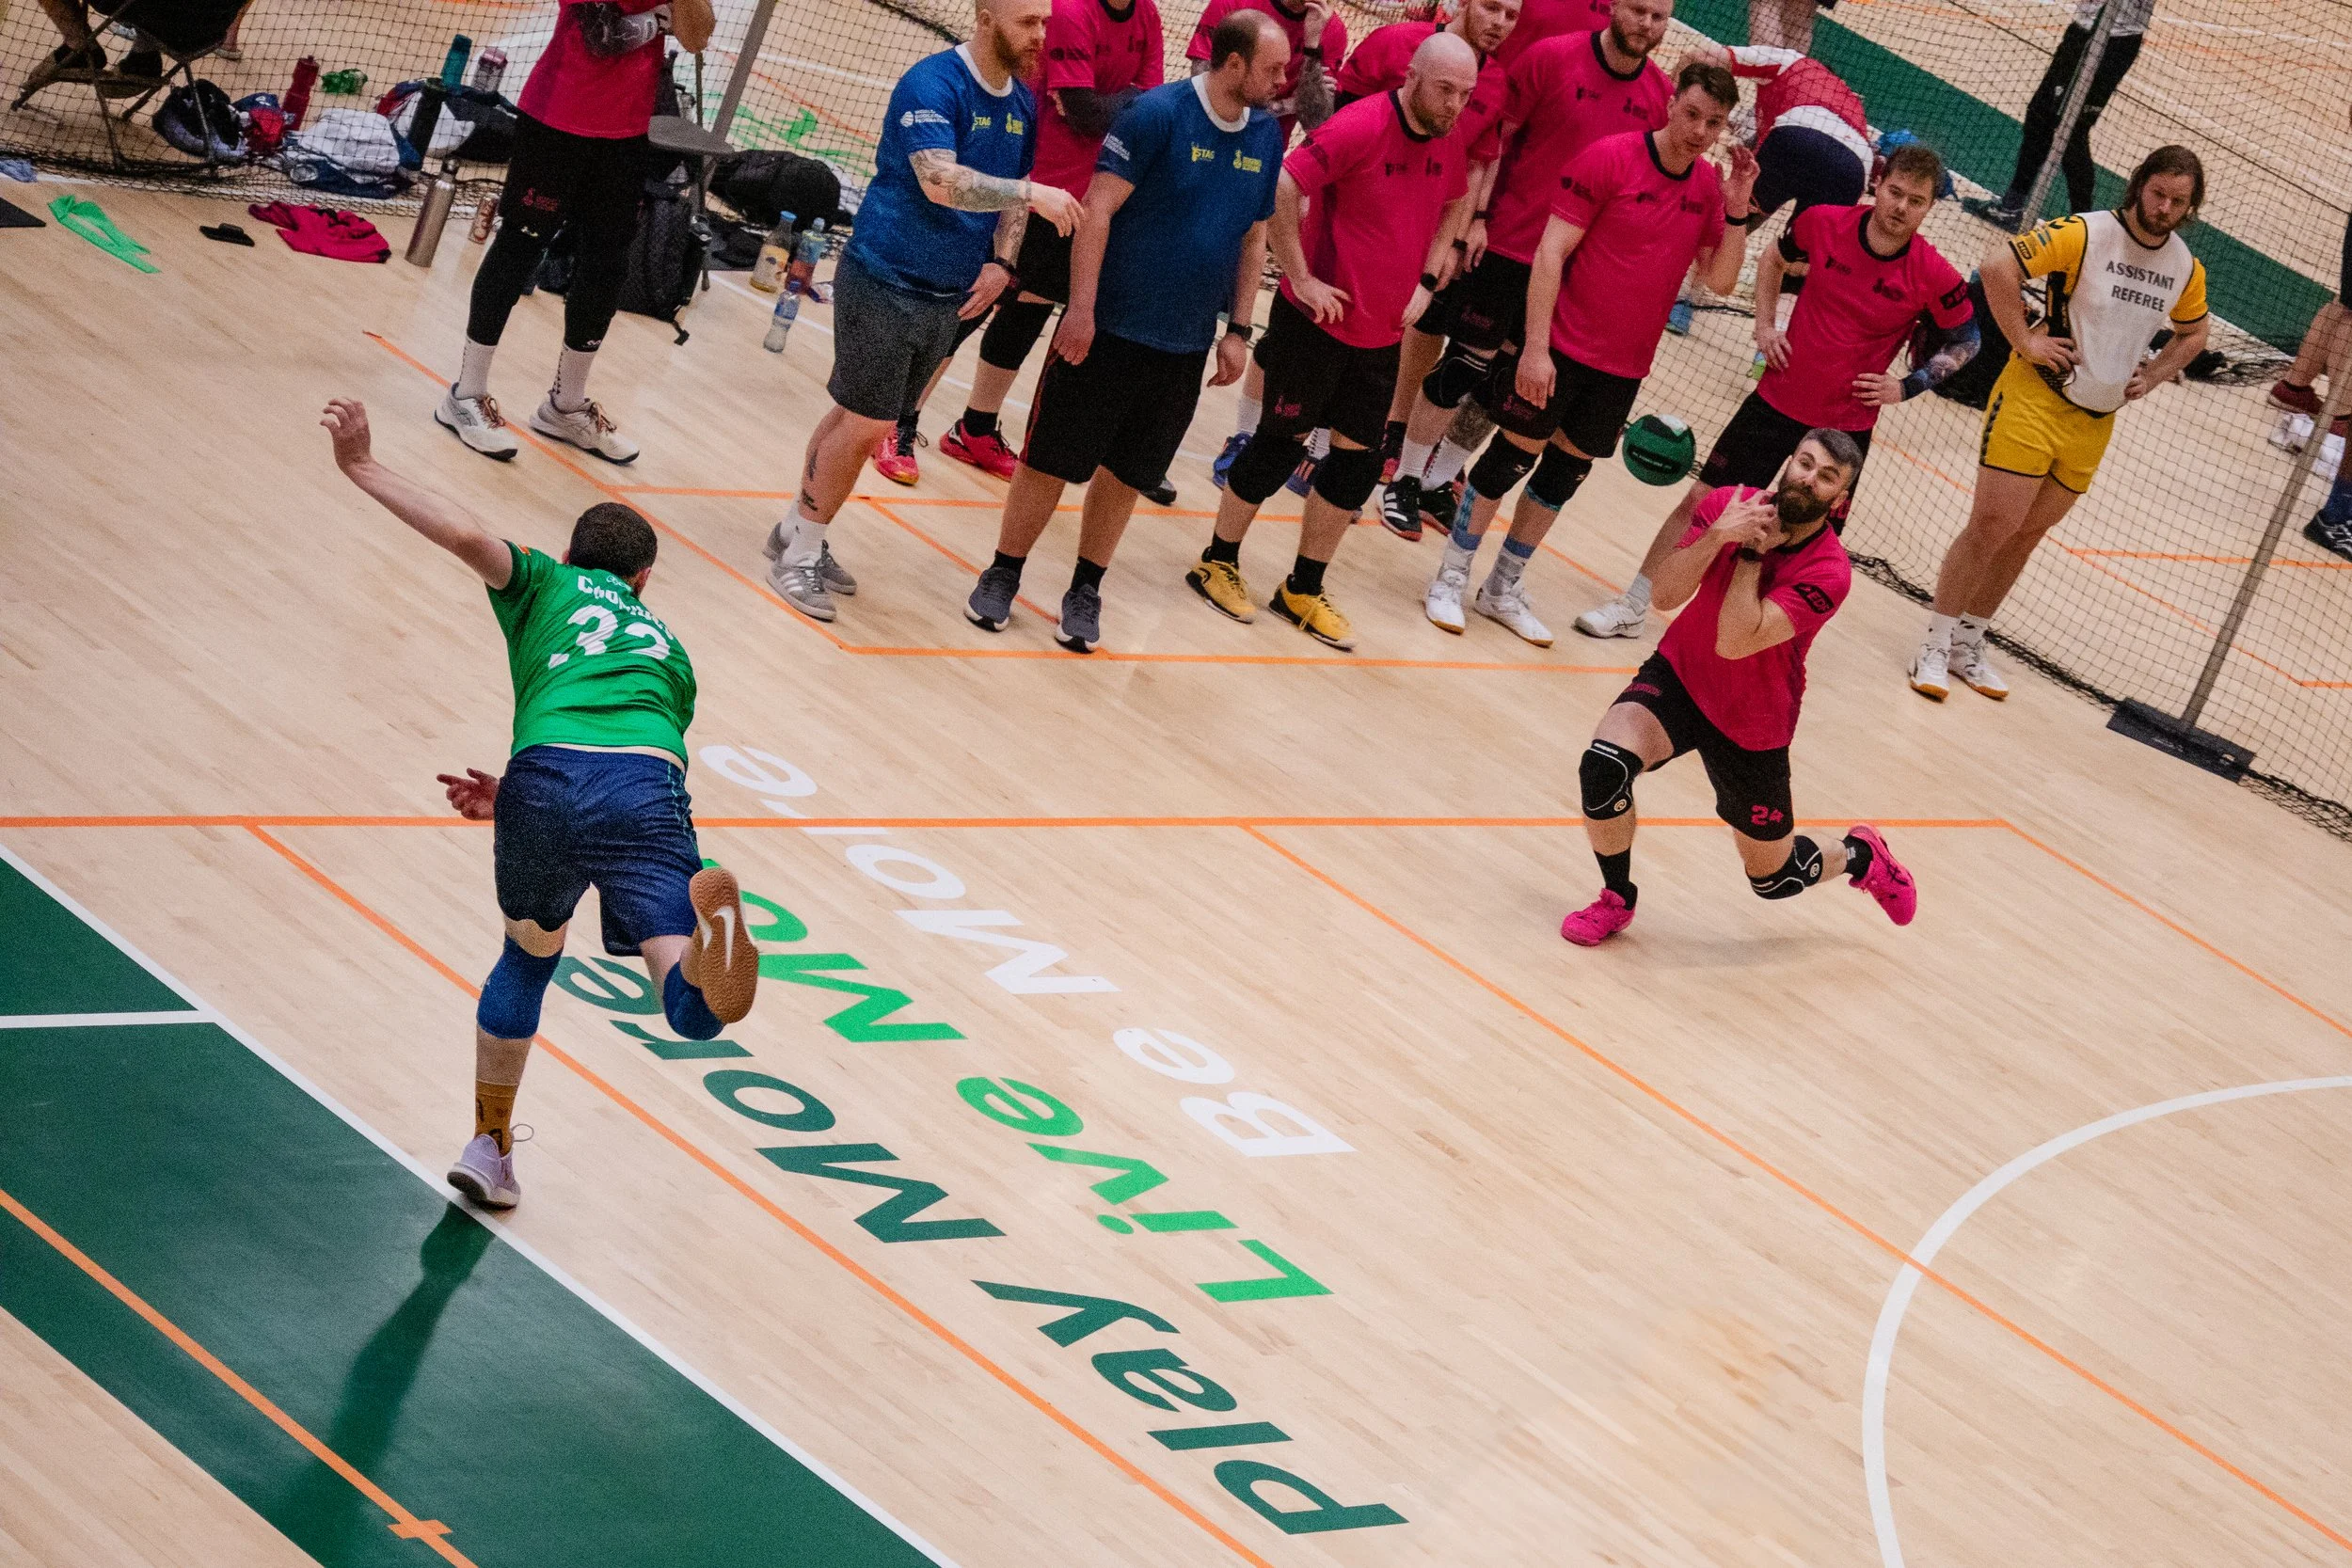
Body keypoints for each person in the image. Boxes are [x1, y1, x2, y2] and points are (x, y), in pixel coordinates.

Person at [318, 398, 760, 1210]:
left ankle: (489, 1148)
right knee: (691, 1014)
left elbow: (463, 535)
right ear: (645, 582)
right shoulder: (671, 649)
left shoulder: (547, 580)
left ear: (567, 552)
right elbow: (622, 745)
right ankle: (712, 941)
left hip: (544, 777)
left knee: (528, 953)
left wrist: (362, 464)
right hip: (643, 784)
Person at [963, 12, 1289, 651]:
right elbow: (1099, 209)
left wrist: (1238, 330)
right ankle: (1004, 570)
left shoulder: (1266, 136)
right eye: (1272, 69)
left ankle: (1086, 587)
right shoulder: (1158, 115)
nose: (1283, 81)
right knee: (1047, 461)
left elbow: (1254, 237)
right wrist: (1081, 311)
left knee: (1127, 473)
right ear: (1233, 65)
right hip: (1108, 329)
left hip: (1185, 344)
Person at [764, 0, 1082, 624]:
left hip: (948, 292)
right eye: (1028, 23)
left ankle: (796, 531)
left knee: (858, 418)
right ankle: (798, 550)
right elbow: (941, 179)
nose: (1041, 35)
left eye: (1045, 23)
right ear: (987, 17)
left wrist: (1003, 261)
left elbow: (1010, 197)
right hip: (885, 276)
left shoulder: (1020, 102)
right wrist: (1029, 194)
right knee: (864, 423)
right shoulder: (933, 83)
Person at [1578, 142, 1976, 638]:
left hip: (1843, 430)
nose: (1901, 208)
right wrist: (1765, 326)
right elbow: (1773, 258)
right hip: (1776, 400)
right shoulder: (1824, 222)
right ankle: (1634, 603)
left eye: (1916, 201)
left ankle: (1754, 638)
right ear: (1878, 184)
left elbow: (1968, 339)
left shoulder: (1935, 273)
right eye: (1895, 192)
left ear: (1929, 206)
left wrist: (1908, 385)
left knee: (1808, 541)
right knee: (1702, 501)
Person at [1425, 65, 1756, 646]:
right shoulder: (1611, 158)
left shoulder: (1706, 188)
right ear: (1672, 103)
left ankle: (1502, 586)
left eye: (1714, 123)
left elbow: (1723, 281)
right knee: (1508, 460)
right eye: (1693, 114)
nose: (1701, 131)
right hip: (1560, 351)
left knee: (1561, 476)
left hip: (1622, 368)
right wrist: (1534, 347)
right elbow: (1550, 254)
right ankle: (1451, 575)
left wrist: (1735, 209)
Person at [1559, 429, 1918, 945]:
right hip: (1681, 674)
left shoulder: (1829, 571)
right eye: (1804, 463)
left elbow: (1735, 641)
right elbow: (1662, 594)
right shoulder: (1730, 505)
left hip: (1752, 721)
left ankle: (1861, 855)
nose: (1807, 479)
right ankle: (1616, 899)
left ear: (1840, 500)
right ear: (1788, 462)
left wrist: (1749, 553)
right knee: (1604, 768)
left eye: (1826, 477)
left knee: (1775, 879)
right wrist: (1715, 536)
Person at [1186, 31, 1482, 651]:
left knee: (1356, 464)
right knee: (1277, 446)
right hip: (1314, 322)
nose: (1455, 105)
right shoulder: (1362, 125)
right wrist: (1300, 275)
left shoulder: (1447, 140)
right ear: (1414, 78)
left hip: (1379, 334)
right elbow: (1286, 186)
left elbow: (1458, 199)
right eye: (1446, 89)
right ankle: (1217, 558)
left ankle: (1303, 585)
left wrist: (1429, 277)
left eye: (1465, 94)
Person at [1911, 144, 2209, 700]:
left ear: (2190, 208)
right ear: (2139, 184)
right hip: (2034, 401)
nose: (2164, 207)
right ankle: (1934, 643)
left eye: (2178, 201)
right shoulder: (2086, 232)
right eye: (2158, 193)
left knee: (2025, 537)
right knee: (1992, 527)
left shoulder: (2184, 268)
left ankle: (1969, 643)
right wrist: (2024, 339)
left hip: (2095, 422)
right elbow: (1997, 265)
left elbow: (2195, 333)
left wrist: (2159, 372)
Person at [1380, 0, 1672, 543]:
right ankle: (1406, 476)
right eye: (1638, 10)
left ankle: (1438, 482)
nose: (1647, 25)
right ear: (1616, 9)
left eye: (1659, 17)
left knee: (1509, 389)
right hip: (1510, 245)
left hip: (1570, 272)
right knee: (1464, 366)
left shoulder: (1658, 97)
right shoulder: (1552, 59)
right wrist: (1481, 217)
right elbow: (1496, 143)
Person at [432, 0, 716, 466]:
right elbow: (601, 37)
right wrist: (659, 20)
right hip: (556, 119)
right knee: (519, 248)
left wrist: (673, 13)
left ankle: (565, 407)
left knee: (607, 264)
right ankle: (465, 396)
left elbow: (697, 35)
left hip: (624, 134)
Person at [935, 0, 1167, 483]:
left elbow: (1148, 109)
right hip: (1037, 187)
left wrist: (1115, 103)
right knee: (971, 306)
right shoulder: (1072, 11)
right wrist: (1122, 100)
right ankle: (896, 419)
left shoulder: (1145, 14)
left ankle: (974, 428)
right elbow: (1083, 114)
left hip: (1085, 199)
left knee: (1028, 313)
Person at [1662, 37, 1871, 336]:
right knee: (1800, 258)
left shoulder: (1791, 61)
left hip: (1798, 137)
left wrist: (1666, 92)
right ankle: (1771, 351)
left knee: (1728, 220)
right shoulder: (1850, 101)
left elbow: (1707, 53)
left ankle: (1682, 302)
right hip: (1854, 165)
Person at [1962, 0, 2154, 232]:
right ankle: (2011, 207)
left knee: (2071, 132)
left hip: (2106, 40)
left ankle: (2083, 230)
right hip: (2088, 32)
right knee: (2040, 116)